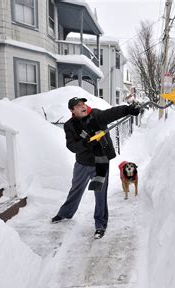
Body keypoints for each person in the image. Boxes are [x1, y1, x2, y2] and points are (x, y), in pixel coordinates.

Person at [51, 97, 141, 239]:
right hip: (82, 163)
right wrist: (86, 142)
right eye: (78, 105)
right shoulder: (70, 125)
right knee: (76, 189)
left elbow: (113, 113)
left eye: (83, 103)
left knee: (100, 194)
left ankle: (100, 225)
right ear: (72, 110)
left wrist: (128, 109)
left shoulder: (97, 116)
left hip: (100, 162)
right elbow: (72, 146)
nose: (83, 106)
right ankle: (65, 213)